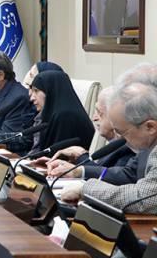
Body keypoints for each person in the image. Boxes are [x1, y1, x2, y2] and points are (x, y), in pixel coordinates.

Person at [61, 83, 157, 213]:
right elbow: (130, 174)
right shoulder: (148, 145)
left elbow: (142, 198)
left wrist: (86, 188)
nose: (121, 138)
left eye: (122, 132)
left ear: (150, 127)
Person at [43, 86, 136, 184]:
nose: (94, 118)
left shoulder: (130, 148)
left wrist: (81, 157)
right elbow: (102, 170)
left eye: (99, 112)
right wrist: (68, 165)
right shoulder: (115, 143)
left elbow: (112, 179)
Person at [26, 70, 95, 153]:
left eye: (36, 91)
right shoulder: (50, 114)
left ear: (50, 90)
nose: (32, 98)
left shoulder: (65, 116)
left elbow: (56, 156)